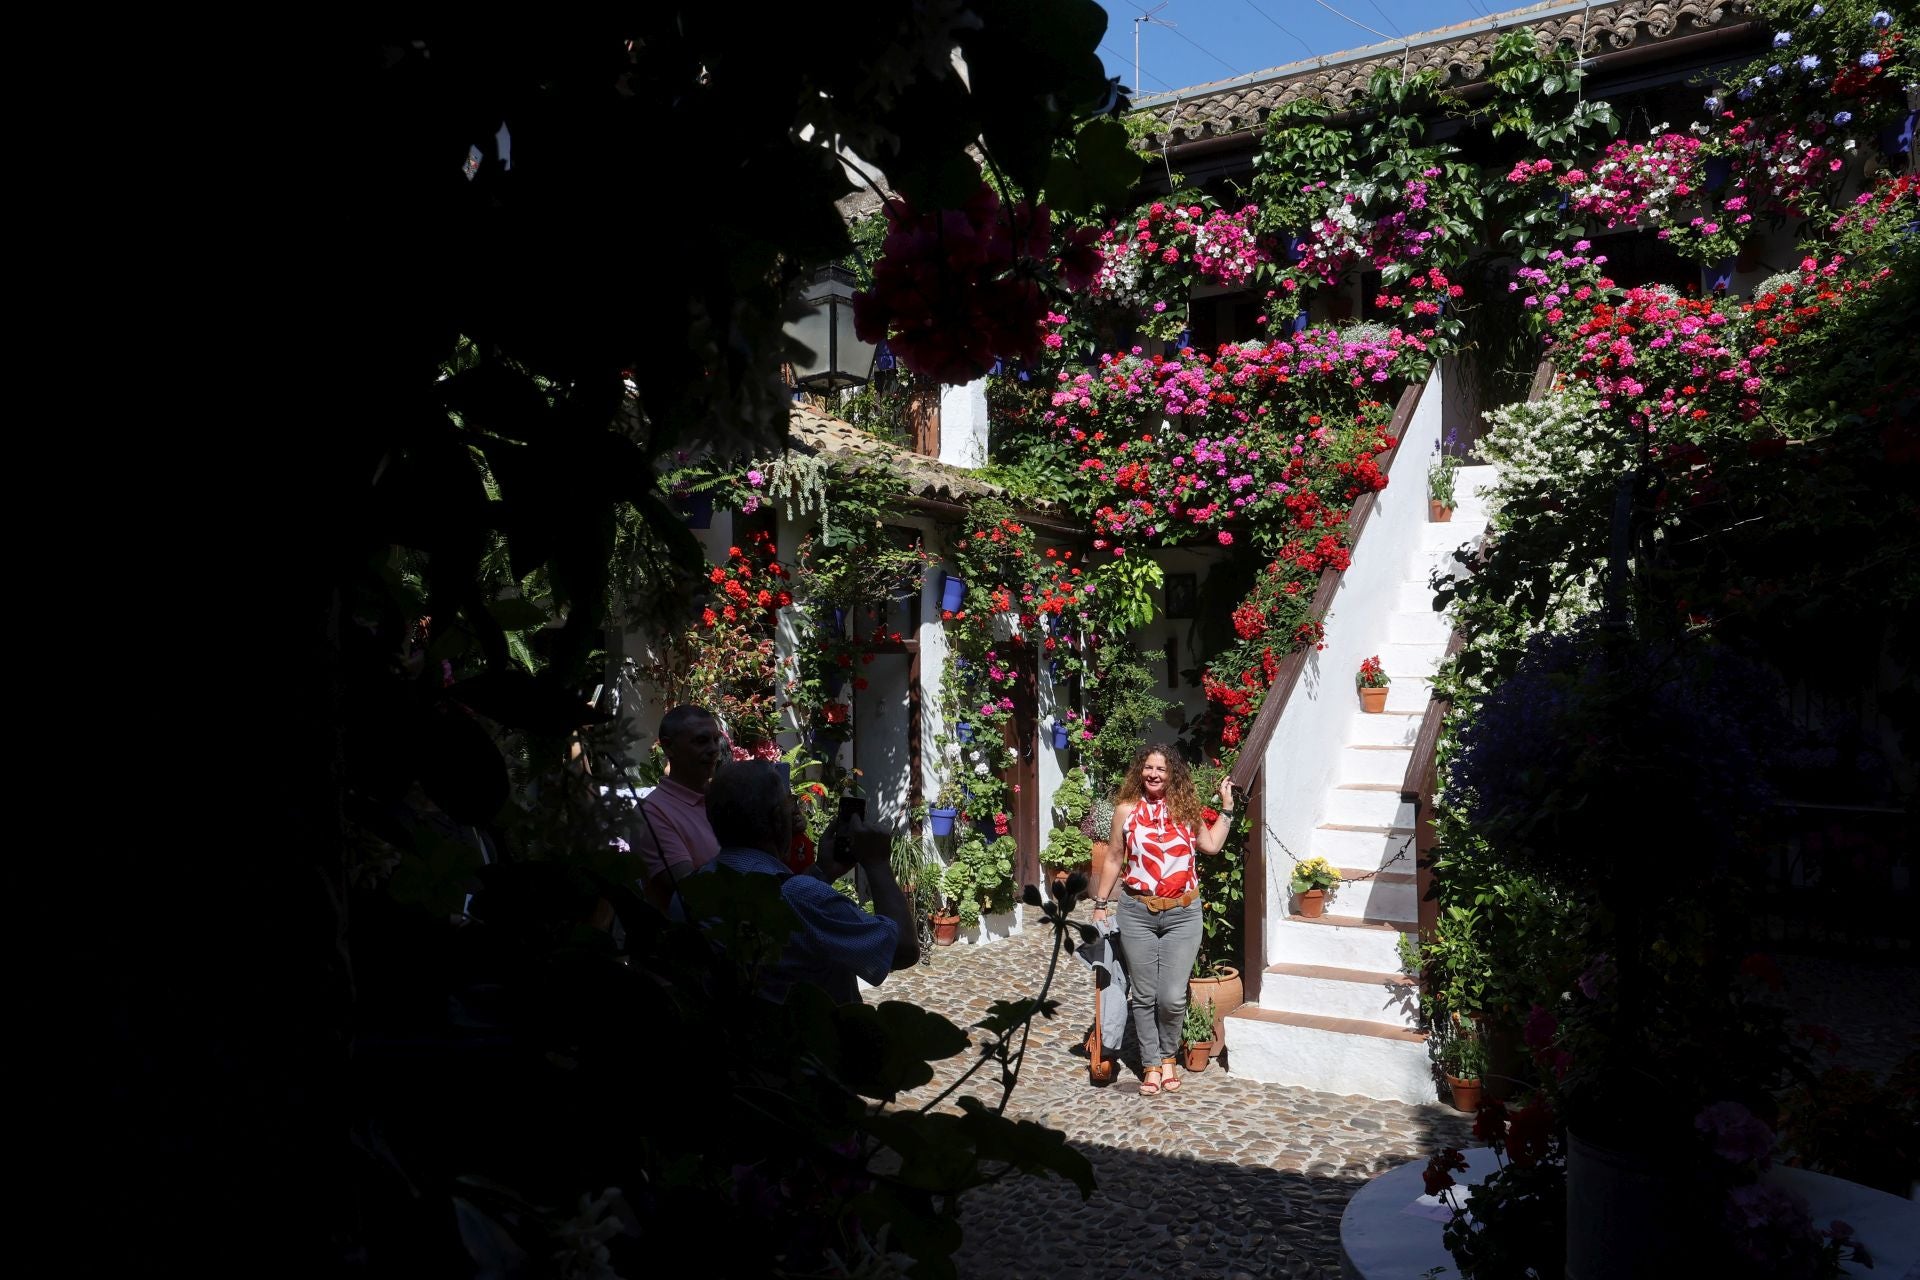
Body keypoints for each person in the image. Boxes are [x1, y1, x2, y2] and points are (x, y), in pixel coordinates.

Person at [691, 761, 920, 1004]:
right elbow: (901, 950)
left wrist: (822, 871)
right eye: (789, 803)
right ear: (778, 820)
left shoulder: (692, 890)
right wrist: (878, 864)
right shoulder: (803, 899)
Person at [1088, 743, 1235, 1096]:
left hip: (1183, 914)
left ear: (1173, 775)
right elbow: (1113, 857)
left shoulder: (1186, 810)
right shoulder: (1126, 810)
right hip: (1137, 911)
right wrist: (1100, 903)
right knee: (1144, 994)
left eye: (1162, 769)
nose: (1154, 774)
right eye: (1149, 768)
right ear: (1141, 770)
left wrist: (1227, 808)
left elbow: (1212, 845)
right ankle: (1153, 1064)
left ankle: (1169, 1054)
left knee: (1171, 996)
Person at [630, 705, 725, 910]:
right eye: (701, 741)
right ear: (669, 747)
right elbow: (692, 891)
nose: (713, 749)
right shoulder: (651, 814)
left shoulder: (723, 799)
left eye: (716, 740)